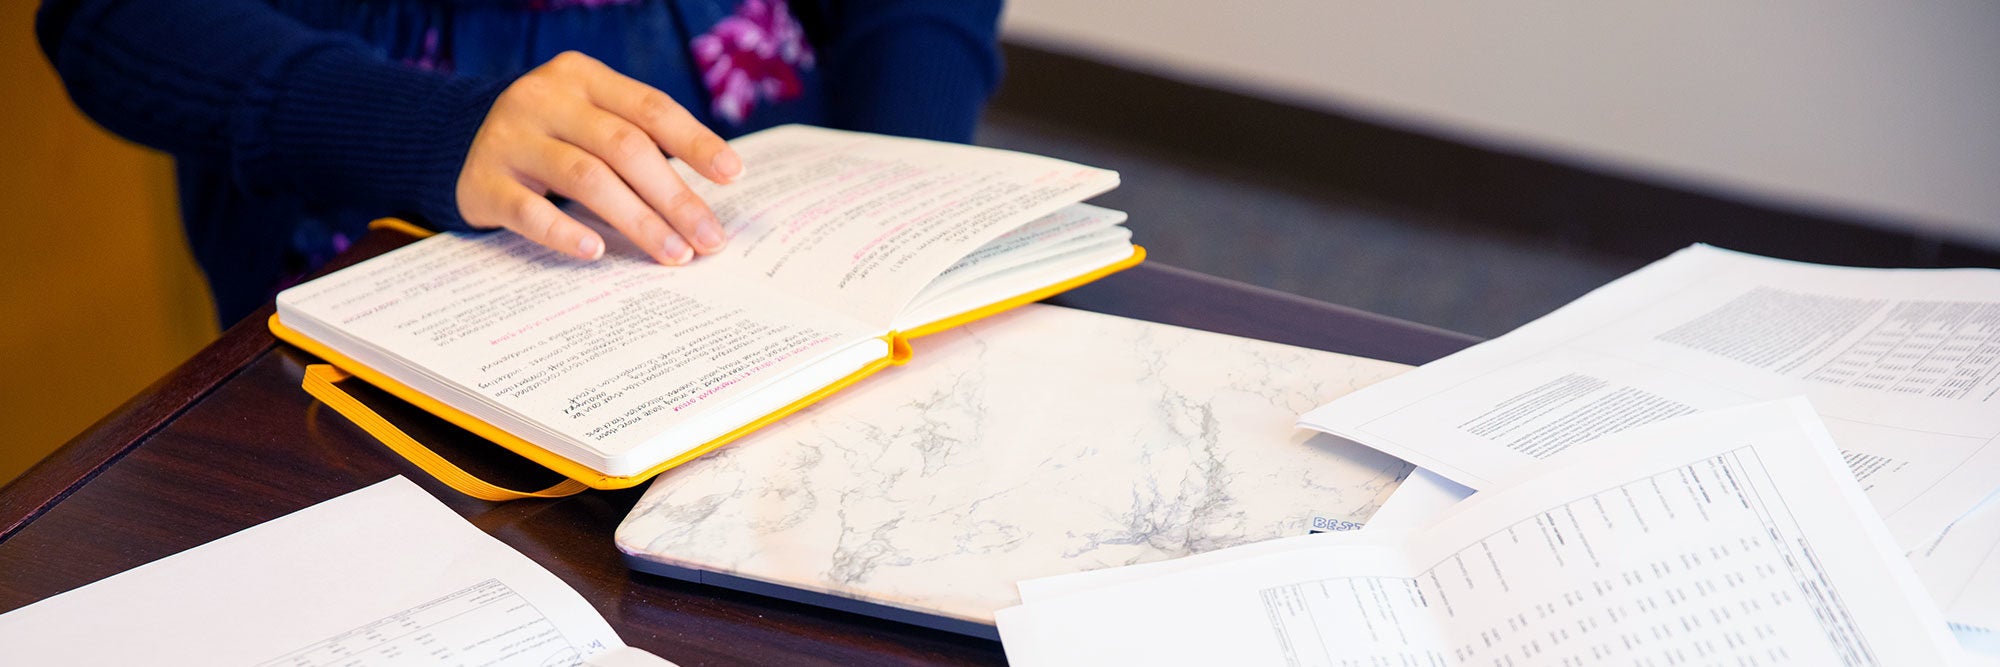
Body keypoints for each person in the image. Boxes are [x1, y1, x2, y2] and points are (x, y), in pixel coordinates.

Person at [37, 0, 1003, 326]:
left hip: (765, 139)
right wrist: (427, 133)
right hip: (371, 154)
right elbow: (108, 18)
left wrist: (900, 165)